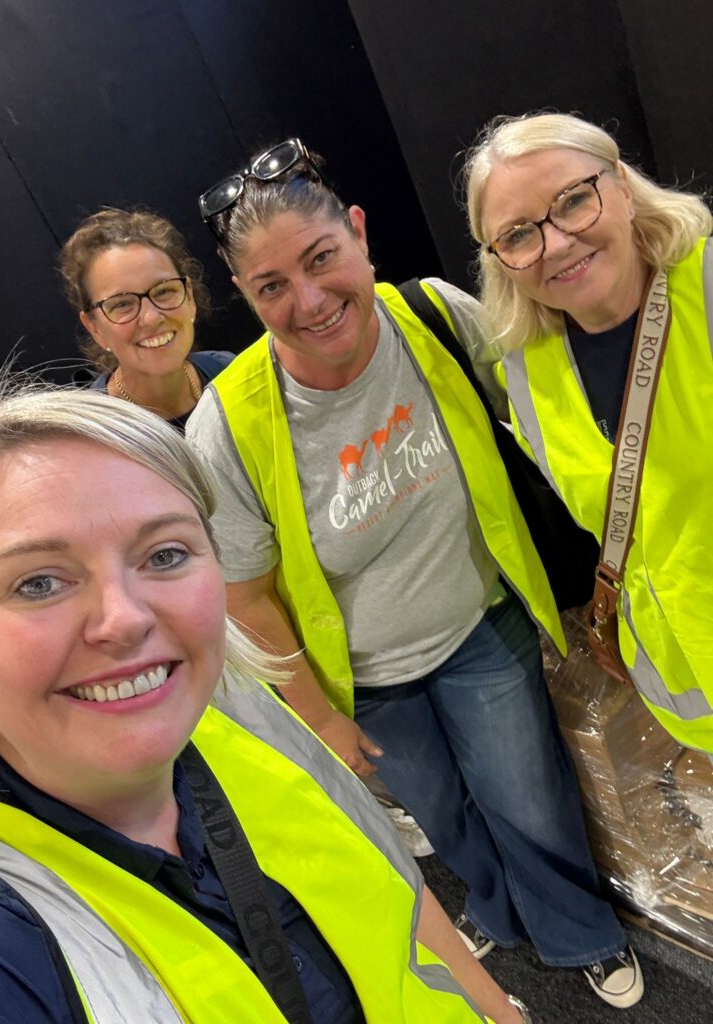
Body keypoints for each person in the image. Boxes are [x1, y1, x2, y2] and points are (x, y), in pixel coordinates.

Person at [188, 138, 642, 1008]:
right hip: (363, 680)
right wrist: (318, 714)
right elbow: (244, 595)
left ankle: (579, 933)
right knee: (444, 817)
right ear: (244, 294)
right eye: (271, 286)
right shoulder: (231, 425)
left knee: (529, 798)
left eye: (321, 259)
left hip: (477, 623)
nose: (309, 301)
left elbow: (545, 413)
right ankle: (500, 915)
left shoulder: (433, 315)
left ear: (359, 235)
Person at [0, 380, 533, 1024]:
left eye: (165, 554)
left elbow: (401, 893)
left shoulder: (245, 711)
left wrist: (499, 1011)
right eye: (38, 583)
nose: (125, 618)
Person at [463, 111, 713, 754]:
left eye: (573, 200)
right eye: (518, 235)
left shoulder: (707, 288)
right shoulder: (527, 372)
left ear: (622, 186)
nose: (555, 244)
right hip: (691, 692)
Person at [59, 207, 233, 430]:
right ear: (95, 329)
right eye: (122, 304)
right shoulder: (92, 438)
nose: (151, 318)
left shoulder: (231, 373)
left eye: (164, 291)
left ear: (189, 298)